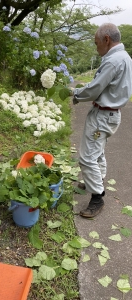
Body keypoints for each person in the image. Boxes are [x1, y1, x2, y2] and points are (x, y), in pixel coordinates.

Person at [72, 23, 132, 218]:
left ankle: (97, 198)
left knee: (87, 157)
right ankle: (95, 181)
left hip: (103, 115)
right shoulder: (124, 57)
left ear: (107, 40)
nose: (96, 48)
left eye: (97, 43)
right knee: (97, 152)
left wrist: (75, 93)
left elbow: (95, 89)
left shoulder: (113, 60)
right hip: (111, 114)